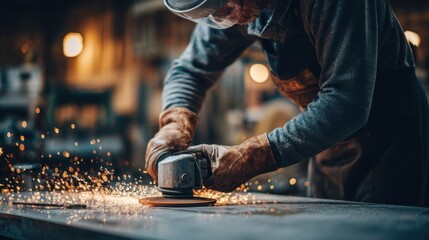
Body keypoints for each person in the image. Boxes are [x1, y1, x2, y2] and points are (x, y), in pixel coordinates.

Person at [145, 0, 429, 207]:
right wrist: (174, 123)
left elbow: (347, 103)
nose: (228, 17)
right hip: (326, 144)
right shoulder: (230, 7)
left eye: (228, 7)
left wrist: (253, 155)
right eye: (216, 14)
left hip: (389, 141)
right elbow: (190, 70)